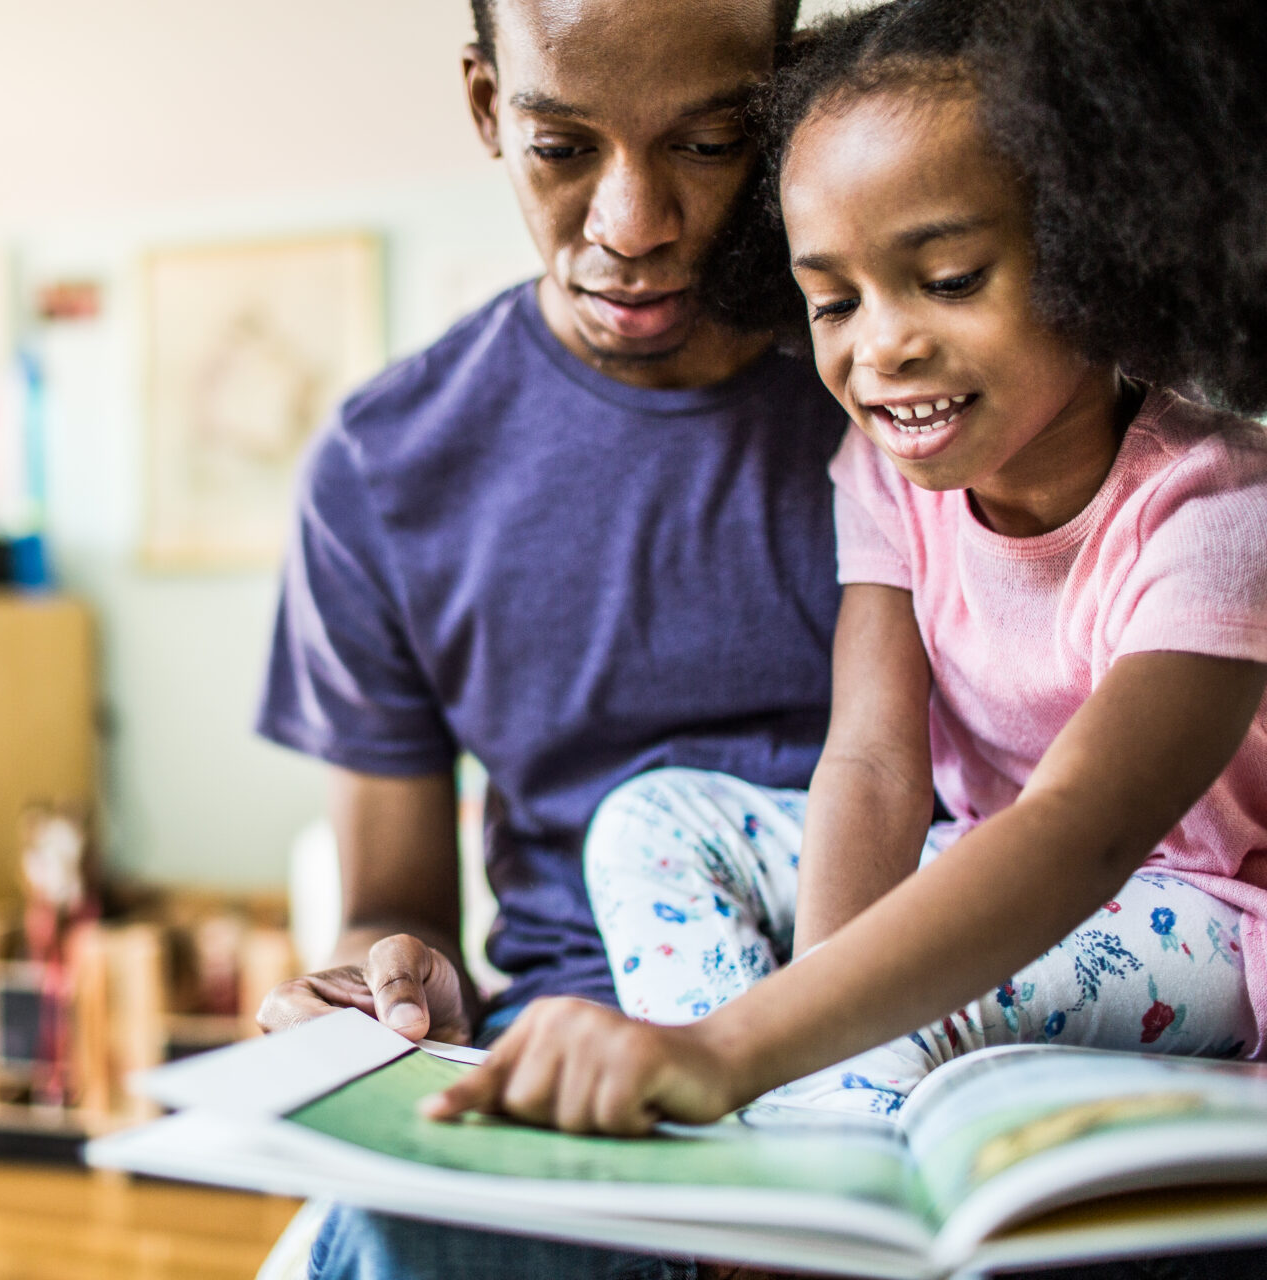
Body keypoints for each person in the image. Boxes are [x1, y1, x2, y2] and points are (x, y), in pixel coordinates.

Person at [425, 0, 1267, 1159]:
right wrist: (805, 1015)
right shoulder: (884, 474)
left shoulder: (1219, 508)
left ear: (1103, 248)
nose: (881, 347)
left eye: (952, 278)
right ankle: (764, 1143)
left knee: (924, 979)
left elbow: (1084, 828)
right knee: (651, 820)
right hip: (978, 852)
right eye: (833, 300)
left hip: (1213, 916)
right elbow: (871, 760)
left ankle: (812, 1168)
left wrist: (742, 1042)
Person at [253, 0, 845, 1273]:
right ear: (485, 107)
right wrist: (387, 989)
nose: (632, 226)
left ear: (787, 103)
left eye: (709, 142)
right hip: (571, 1088)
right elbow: (390, 904)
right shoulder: (383, 470)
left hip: (912, 1033)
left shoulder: (916, 389)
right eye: (563, 147)